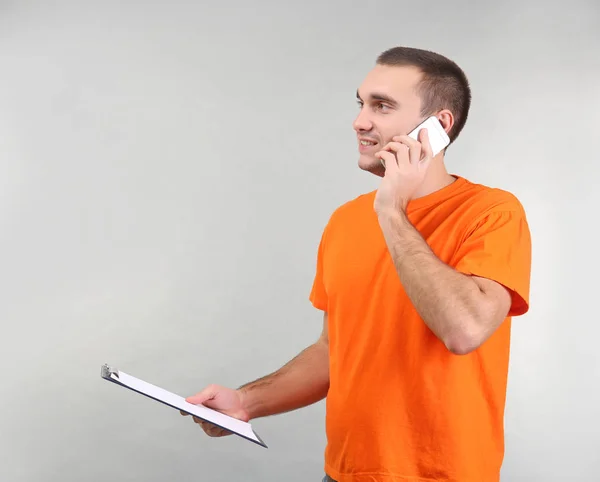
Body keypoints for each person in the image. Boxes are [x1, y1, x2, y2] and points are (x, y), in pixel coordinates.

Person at [181, 46, 532, 482]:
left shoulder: (492, 212)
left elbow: (465, 329)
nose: (360, 121)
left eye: (382, 106)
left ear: (438, 126)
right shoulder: (345, 220)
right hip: (344, 474)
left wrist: (391, 211)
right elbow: (334, 351)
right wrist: (246, 403)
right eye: (361, 103)